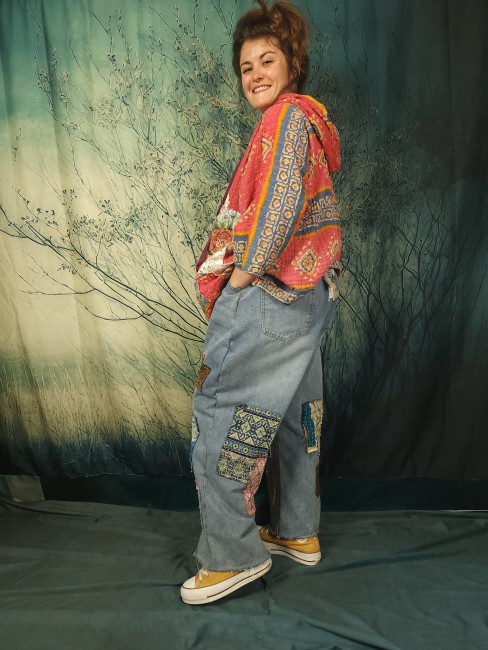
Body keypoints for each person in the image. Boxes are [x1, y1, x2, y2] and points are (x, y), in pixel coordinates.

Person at [181, 0, 342, 605]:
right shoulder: (312, 122)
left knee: (222, 413)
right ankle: (298, 530)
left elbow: (277, 203)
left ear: (293, 64)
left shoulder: (284, 120)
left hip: (269, 296)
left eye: (267, 60)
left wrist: (243, 275)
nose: (254, 75)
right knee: (298, 414)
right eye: (246, 67)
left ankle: (231, 555)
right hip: (310, 298)